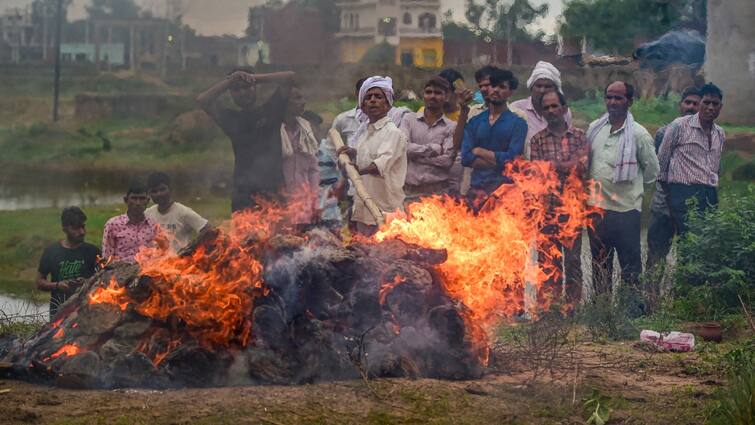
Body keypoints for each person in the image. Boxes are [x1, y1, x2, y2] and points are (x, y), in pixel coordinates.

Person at [586, 81, 659, 308]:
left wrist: (633, 193)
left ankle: (631, 312)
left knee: (630, 266)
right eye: (609, 97)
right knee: (600, 264)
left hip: (626, 211)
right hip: (596, 210)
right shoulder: (595, 129)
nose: (613, 102)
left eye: (618, 98)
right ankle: (601, 311)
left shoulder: (639, 134)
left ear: (630, 101)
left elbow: (652, 172)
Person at [196, 67, 295, 212]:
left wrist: (253, 78)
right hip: (243, 193)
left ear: (255, 88)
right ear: (231, 93)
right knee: (245, 233)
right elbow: (202, 100)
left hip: (274, 190)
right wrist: (230, 81)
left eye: (246, 87)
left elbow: (289, 77)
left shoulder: (272, 110)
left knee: (281, 234)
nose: (242, 93)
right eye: (236, 89)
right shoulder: (230, 119)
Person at [529, 91, 589, 306]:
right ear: (542, 112)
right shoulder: (537, 140)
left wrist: (555, 166)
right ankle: (549, 311)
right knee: (548, 264)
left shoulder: (580, 136)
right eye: (546, 108)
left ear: (564, 108)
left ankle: (572, 310)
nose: (551, 111)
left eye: (555, 106)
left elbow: (582, 168)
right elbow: (539, 174)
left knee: (573, 263)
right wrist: (566, 166)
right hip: (547, 212)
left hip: (572, 212)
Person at [337, 76, 407, 236]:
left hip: (385, 212)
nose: (373, 100)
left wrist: (358, 170)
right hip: (363, 211)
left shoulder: (393, 133)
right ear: (362, 105)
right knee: (365, 258)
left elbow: (380, 165)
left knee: (389, 257)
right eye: (368, 97)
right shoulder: (363, 134)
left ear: (388, 103)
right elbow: (364, 156)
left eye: (378, 96)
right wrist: (351, 153)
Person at [646, 87, 701, 271]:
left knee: (689, 259)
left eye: (695, 103)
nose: (691, 107)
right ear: (680, 105)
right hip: (664, 206)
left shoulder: (706, 136)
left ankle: (682, 299)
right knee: (656, 257)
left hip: (690, 207)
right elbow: (657, 169)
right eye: (688, 103)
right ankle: (651, 298)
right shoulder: (664, 133)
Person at [658, 83, 725, 235]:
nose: (710, 107)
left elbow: (715, 166)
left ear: (720, 107)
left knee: (707, 241)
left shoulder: (720, 133)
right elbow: (661, 165)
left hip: (709, 194)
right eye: (706, 102)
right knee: (687, 240)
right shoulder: (679, 126)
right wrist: (671, 197)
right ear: (699, 103)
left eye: (715, 104)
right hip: (683, 193)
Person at [461, 68, 528, 202]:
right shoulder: (475, 121)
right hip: (476, 192)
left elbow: (512, 159)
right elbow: (466, 158)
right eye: (493, 86)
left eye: (502, 87)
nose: (495, 90)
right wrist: (499, 161)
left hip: (505, 194)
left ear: (510, 92)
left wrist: (480, 151)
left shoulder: (518, 124)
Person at [400, 76, 458, 199]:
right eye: (428, 92)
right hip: (410, 193)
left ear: (446, 97)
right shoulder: (408, 119)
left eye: (438, 93)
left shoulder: (451, 126)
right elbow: (401, 149)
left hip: (438, 195)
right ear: (423, 95)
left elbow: (447, 161)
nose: (432, 96)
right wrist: (434, 149)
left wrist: (415, 157)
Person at [37, 207, 100, 318]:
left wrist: (88, 282)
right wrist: (57, 285)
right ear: (65, 229)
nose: (82, 232)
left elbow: (105, 280)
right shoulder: (51, 251)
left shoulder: (93, 251)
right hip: (58, 314)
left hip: (87, 312)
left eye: (83, 226)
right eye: (76, 228)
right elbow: (40, 282)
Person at [510, 61, 574, 159]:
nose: (542, 90)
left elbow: (568, 142)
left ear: (555, 89)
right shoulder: (516, 109)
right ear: (531, 87)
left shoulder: (564, 113)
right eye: (538, 86)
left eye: (547, 86)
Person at [280, 86, 321, 227]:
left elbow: (313, 168)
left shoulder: (305, 130)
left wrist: (314, 199)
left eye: (303, 97)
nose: (303, 102)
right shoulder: (272, 132)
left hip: (304, 206)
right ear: (284, 102)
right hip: (279, 207)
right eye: (297, 98)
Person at [145, 172, 209, 252]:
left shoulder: (184, 212)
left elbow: (207, 229)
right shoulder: (147, 214)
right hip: (155, 262)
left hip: (179, 262)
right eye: (154, 191)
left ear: (170, 189)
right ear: (149, 194)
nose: (159, 194)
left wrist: (193, 248)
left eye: (162, 189)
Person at [102, 183, 160, 263]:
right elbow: (107, 256)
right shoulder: (113, 224)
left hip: (147, 272)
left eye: (142, 198)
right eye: (134, 198)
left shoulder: (153, 225)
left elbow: (158, 254)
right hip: (120, 272)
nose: (138, 203)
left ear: (147, 201)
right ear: (126, 200)